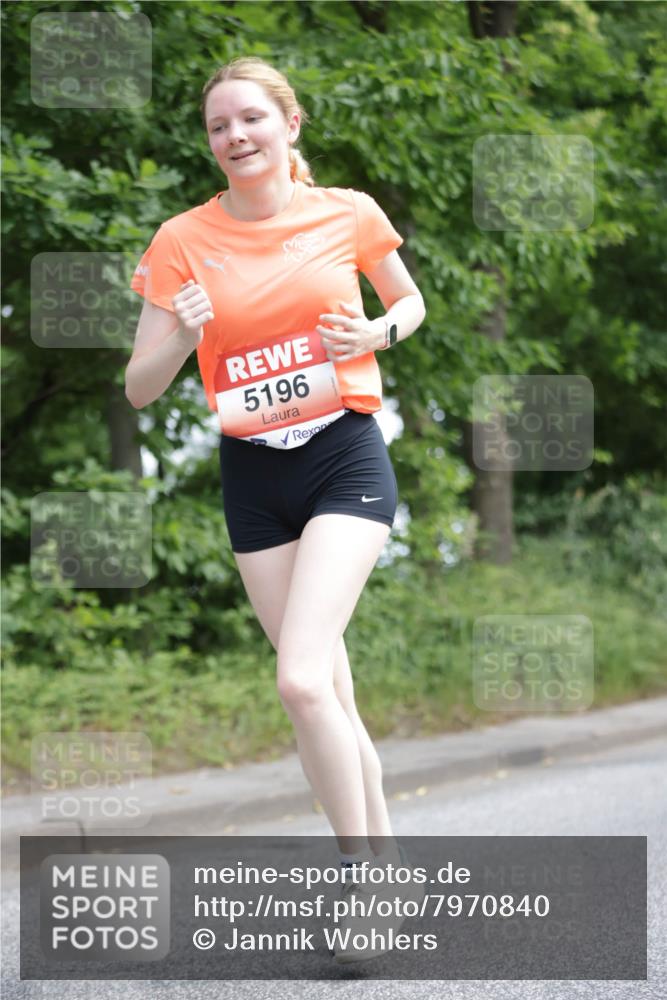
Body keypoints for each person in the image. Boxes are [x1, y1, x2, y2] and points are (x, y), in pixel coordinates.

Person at [126, 56, 426, 961]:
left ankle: (364, 888)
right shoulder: (181, 239)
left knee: (299, 679)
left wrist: (377, 332)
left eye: (251, 118)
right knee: (328, 691)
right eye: (219, 126)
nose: (235, 137)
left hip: (343, 455)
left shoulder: (348, 212)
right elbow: (140, 391)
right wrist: (179, 328)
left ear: (289, 125)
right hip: (252, 474)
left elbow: (408, 303)